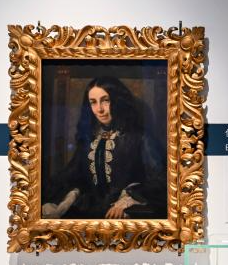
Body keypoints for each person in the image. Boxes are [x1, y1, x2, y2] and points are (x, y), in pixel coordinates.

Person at [42, 76, 165, 219]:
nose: (99, 109)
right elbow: (73, 175)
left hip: (124, 216)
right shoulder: (89, 139)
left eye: (105, 100)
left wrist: (127, 200)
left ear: (118, 101)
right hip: (90, 213)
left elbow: (160, 180)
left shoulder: (140, 137)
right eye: (93, 102)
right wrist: (70, 196)